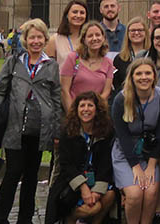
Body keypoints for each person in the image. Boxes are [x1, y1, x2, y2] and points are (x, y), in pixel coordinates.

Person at [0, 19, 62, 224]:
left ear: (45, 39)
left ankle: (25, 219)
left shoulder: (51, 66)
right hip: (14, 126)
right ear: (25, 40)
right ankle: (1, 218)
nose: (35, 41)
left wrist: (57, 131)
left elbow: (57, 100)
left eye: (39, 37)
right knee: (13, 171)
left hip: (39, 127)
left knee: (32, 176)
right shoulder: (14, 62)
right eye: (31, 37)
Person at [112, 57, 160, 224]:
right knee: (135, 194)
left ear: (154, 76)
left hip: (151, 152)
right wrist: (135, 166)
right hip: (127, 152)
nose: (143, 77)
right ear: (132, 77)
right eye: (138, 74)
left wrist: (152, 165)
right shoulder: (121, 99)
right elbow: (122, 135)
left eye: (147, 73)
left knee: (151, 192)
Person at [46, 91, 117, 224]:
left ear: (97, 109)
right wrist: (83, 187)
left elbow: (106, 164)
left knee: (109, 196)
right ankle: (69, 219)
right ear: (76, 109)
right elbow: (66, 165)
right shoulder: (67, 131)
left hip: (95, 178)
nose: (86, 109)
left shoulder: (106, 132)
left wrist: (96, 192)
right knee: (91, 209)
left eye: (90, 105)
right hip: (71, 181)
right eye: (82, 105)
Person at [61, 21, 114, 112]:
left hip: (97, 113)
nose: (94, 38)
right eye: (90, 36)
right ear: (84, 40)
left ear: (103, 38)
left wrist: (92, 110)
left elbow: (106, 92)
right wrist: (72, 114)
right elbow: (64, 90)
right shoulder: (73, 58)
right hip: (74, 112)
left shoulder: (108, 63)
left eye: (98, 35)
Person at [112, 17, 150, 103]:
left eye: (140, 30)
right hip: (125, 101)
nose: (136, 33)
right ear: (127, 34)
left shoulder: (152, 55)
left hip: (148, 100)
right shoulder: (119, 58)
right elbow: (116, 84)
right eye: (132, 30)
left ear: (146, 33)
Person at [47, 0, 89, 70]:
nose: (78, 15)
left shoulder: (89, 40)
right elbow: (49, 69)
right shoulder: (54, 40)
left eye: (82, 13)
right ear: (67, 15)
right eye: (74, 12)